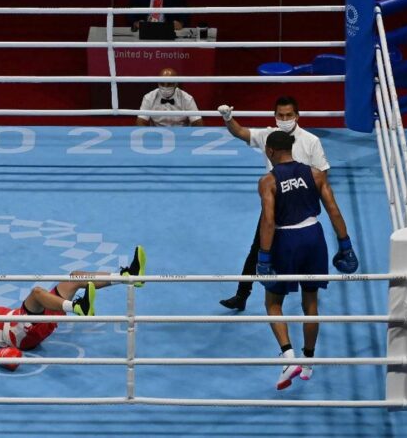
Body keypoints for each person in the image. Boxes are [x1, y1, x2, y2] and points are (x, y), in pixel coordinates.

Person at [0, 246, 147, 371]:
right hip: (19, 334)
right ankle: (77, 307)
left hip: (26, 320)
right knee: (37, 293)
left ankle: (128, 277)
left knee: (75, 277)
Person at [257, 131, 358, 390]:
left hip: (285, 241)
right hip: (314, 237)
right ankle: (309, 362)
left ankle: (289, 357)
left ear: (269, 151)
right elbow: (333, 209)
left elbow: (269, 220)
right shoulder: (315, 174)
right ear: (292, 147)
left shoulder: (268, 181)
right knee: (310, 302)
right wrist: (345, 245)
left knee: (273, 302)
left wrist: (264, 255)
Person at [217, 96, 330, 311]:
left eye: (288, 115)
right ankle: (242, 295)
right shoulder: (268, 135)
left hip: (300, 206)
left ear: (297, 116)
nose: (284, 119)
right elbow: (241, 133)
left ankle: (301, 295)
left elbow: (323, 173)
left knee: (294, 249)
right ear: (275, 116)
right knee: (257, 249)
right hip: (274, 201)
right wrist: (228, 117)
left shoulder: (311, 141)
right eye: (280, 115)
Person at [136, 68, 202, 127]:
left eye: (169, 84)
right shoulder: (149, 97)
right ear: (158, 83)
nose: (165, 87)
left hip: (181, 135)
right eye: (162, 83)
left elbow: (198, 122)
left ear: (176, 84)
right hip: (157, 135)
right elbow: (141, 121)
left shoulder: (187, 98)